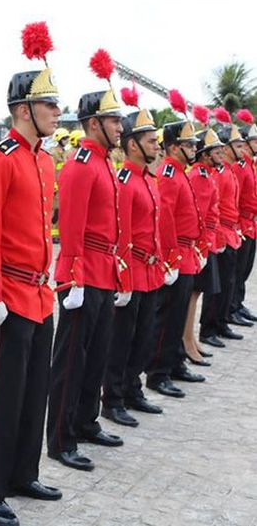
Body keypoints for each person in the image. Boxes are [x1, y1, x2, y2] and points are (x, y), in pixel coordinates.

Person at [0, 22, 62, 526]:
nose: (56, 112)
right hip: (7, 293)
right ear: (23, 110)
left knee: (34, 390)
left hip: (39, 293)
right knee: (1, 395)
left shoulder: (44, 162)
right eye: (49, 106)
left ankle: (24, 471)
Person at [47, 50, 126, 472]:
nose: (120, 126)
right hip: (83, 275)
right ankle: (61, 438)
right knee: (70, 362)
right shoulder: (79, 165)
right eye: (113, 120)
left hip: (104, 271)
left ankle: (85, 420)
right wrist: (73, 277)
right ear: (93, 123)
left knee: (95, 355)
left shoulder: (104, 163)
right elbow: (72, 227)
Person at [100, 89, 167, 427]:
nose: (156, 145)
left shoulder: (149, 179)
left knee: (144, 337)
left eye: (156, 140)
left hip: (151, 270)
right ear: (132, 145)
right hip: (131, 270)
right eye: (150, 140)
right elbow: (121, 233)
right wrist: (123, 278)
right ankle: (112, 399)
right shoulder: (125, 180)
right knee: (121, 339)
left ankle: (133, 389)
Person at [145, 96, 205, 399]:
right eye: (189, 145)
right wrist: (169, 258)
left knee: (178, 313)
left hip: (187, 254)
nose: (194, 150)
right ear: (172, 148)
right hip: (175, 255)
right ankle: (158, 372)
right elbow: (165, 219)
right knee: (167, 316)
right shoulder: (169, 174)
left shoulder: (179, 173)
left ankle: (175, 361)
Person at [201, 116, 246, 344]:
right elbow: (213, 208)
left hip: (232, 231)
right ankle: (209, 328)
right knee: (215, 288)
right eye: (237, 145)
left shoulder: (229, 170)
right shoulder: (218, 173)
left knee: (229, 282)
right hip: (220, 234)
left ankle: (221, 322)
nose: (243, 148)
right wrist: (216, 237)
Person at [186, 120, 223, 365]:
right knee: (191, 296)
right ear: (205, 155)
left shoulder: (207, 174)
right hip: (198, 245)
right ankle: (186, 340)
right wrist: (202, 246)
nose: (222, 154)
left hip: (207, 242)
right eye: (217, 151)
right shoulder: (198, 176)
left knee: (197, 293)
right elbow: (197, 215)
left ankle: (190, 338)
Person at [230, 111, 257, 323]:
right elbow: (235, 197)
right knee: (237, 271)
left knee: (245, 270)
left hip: (251, 222)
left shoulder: (250, 165)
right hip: (242, 222)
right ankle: (231, 308)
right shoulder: (240, 166)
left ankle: (237, 304)